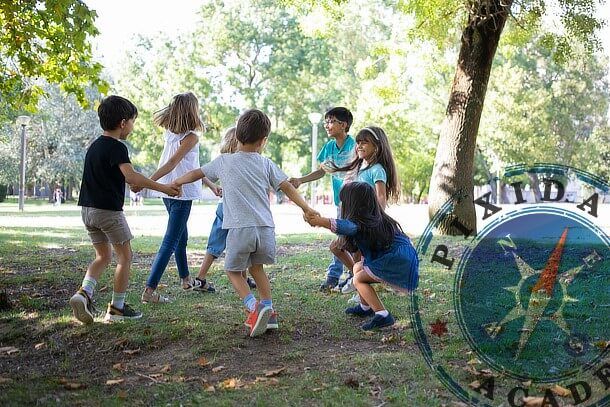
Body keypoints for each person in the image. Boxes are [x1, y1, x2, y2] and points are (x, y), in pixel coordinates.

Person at [174, 109, 318, 337]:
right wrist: (307, 208)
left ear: (237, 136)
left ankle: (254, 308)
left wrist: (178, 181)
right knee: (257, 268)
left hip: (240, 228)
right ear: (263, 141)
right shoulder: (266, 163)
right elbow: (288, 186)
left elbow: (197, 173)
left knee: (232, 270)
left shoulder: (224, 161)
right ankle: (269, 310)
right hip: (265, 229)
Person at [69, 95, 180, 324]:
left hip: (87, 211)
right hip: (108, 213)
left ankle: (84, 293)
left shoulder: (94, 147)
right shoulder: (117, 147)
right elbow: (131, 176)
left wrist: (136, 183)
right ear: (122, 123)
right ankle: (117, 308)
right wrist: (163, 188)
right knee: (125, 257)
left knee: (103, 255)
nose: (132, 125)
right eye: (132, 121)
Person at [305, 182, 418, 330]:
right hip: (402, 259)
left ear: (353, 205)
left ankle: (383, 315)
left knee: (358, 279)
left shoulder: (360, 223)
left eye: (344, 202)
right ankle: (365, 307)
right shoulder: (374, 220)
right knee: (358, 268)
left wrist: (320, 222)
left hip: (396, 261)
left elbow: (346, 226)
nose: (341, 206)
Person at [137, 92, 216, 304]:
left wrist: (210, 184)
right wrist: (145, 182)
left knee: (182, 236)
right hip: (180, 192)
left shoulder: (171, 134)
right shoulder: (190, 137)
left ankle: (185, 279)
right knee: (171, 241)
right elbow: (172, 163)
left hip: (168, 192)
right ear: (192, 110)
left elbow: (192, 166)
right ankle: (149, 289)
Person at [288, 107, 356, 291]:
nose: (327, 125)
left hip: (356, 202)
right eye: (326, 121)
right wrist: (300, 180)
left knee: (343, 239)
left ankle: (336, 276)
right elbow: (321, 171)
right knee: (343, 238)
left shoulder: (355, 145)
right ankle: (351, 274)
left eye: (331, 121)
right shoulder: (329, 147)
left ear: (344, 125)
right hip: (340, 202)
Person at [329, 126, 400, 294]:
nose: (359, 146)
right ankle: (357, 278)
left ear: (376, 146)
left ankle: (360, 286)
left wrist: (378, 218)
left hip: (366, 221)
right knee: (338, 247)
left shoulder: (377, 170)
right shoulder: (361, 167)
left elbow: (381, 196)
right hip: (355, 218)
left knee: (356, 253)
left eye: (364, 143)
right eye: (358, 142)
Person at [192, 127, 257, 293]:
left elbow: (202, 172)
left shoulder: (223, 160)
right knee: (241, 242)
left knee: (215, 244)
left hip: (223, 206)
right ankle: (242, 278)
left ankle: (201, 278)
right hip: (236, 209)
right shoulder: (243, 161)